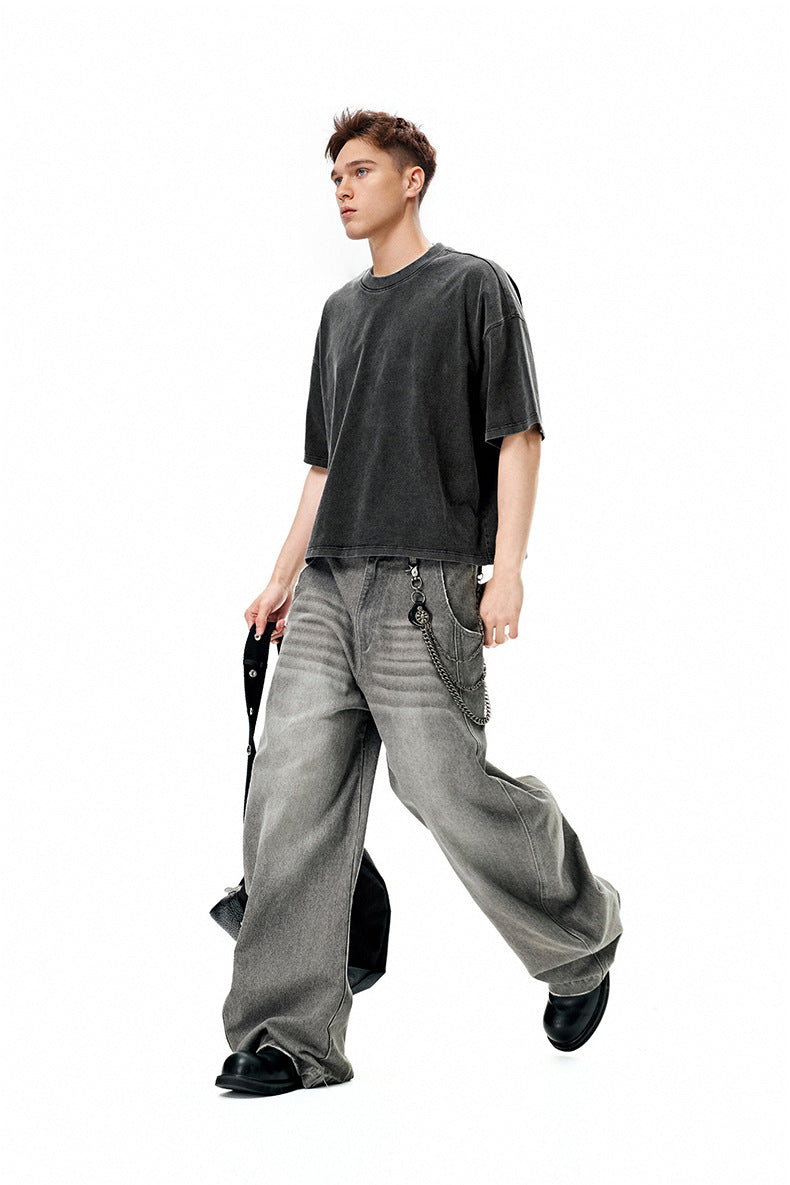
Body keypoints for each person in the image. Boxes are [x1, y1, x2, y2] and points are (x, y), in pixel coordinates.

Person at [216, 108, 623, 1097]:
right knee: (289, 801)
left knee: (442, 786)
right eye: (334, 177)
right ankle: (289, 1036)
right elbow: (324, 467)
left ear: (412, 180)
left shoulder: (475, 288)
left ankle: (579, 934)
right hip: (327, 589)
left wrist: (508, 568)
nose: (342, 189)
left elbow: (518, 436)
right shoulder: (339, 314)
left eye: (360, 171)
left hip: (423, 589)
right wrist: (281, 575)